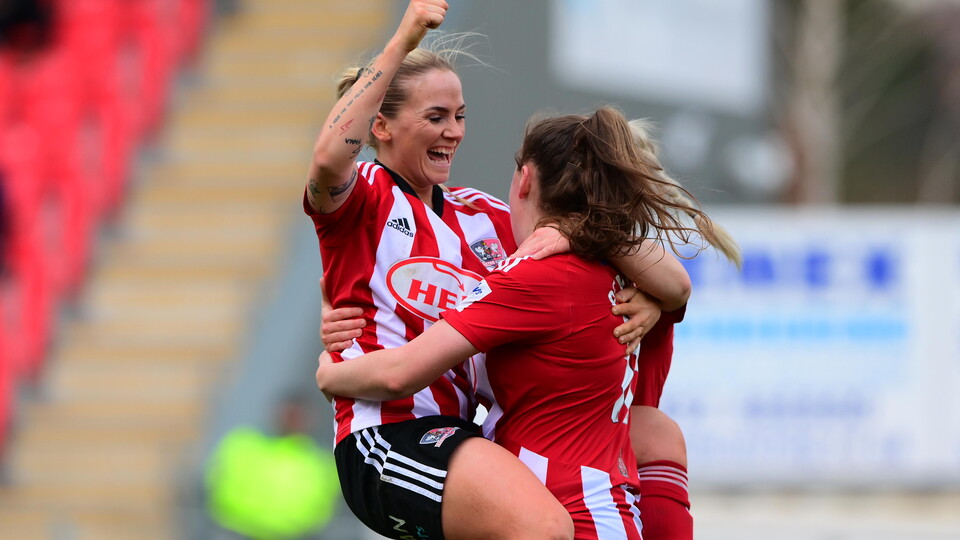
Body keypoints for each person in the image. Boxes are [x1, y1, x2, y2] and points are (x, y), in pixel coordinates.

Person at [305, 2, 690, 538]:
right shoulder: (363, 201)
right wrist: (402, 42)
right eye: (435, 117)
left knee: (650, 436)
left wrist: (647, 291)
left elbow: (671, 280)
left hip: (471, 433)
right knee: (542, 528)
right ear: (381, 125)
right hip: (391, 434)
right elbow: (327, 160)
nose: (453, 132)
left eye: (460, 116)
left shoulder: (483, 214)